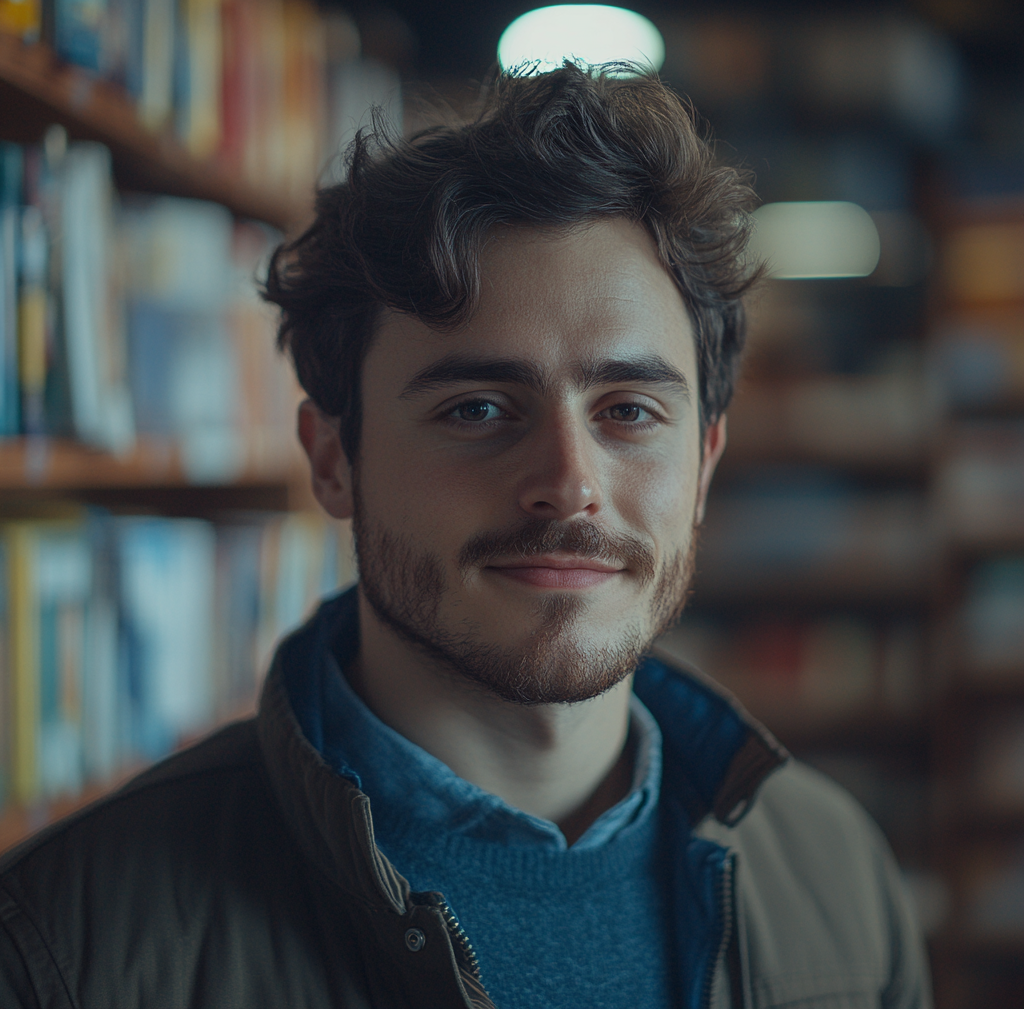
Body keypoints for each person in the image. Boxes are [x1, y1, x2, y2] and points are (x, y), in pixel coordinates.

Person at [0, 64, 930, 1008]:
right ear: (333, 459)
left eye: (630, 411)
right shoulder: (65, 946)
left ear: (706, 464)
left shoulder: (836, 876)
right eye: (479, 407)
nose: (569, 483)